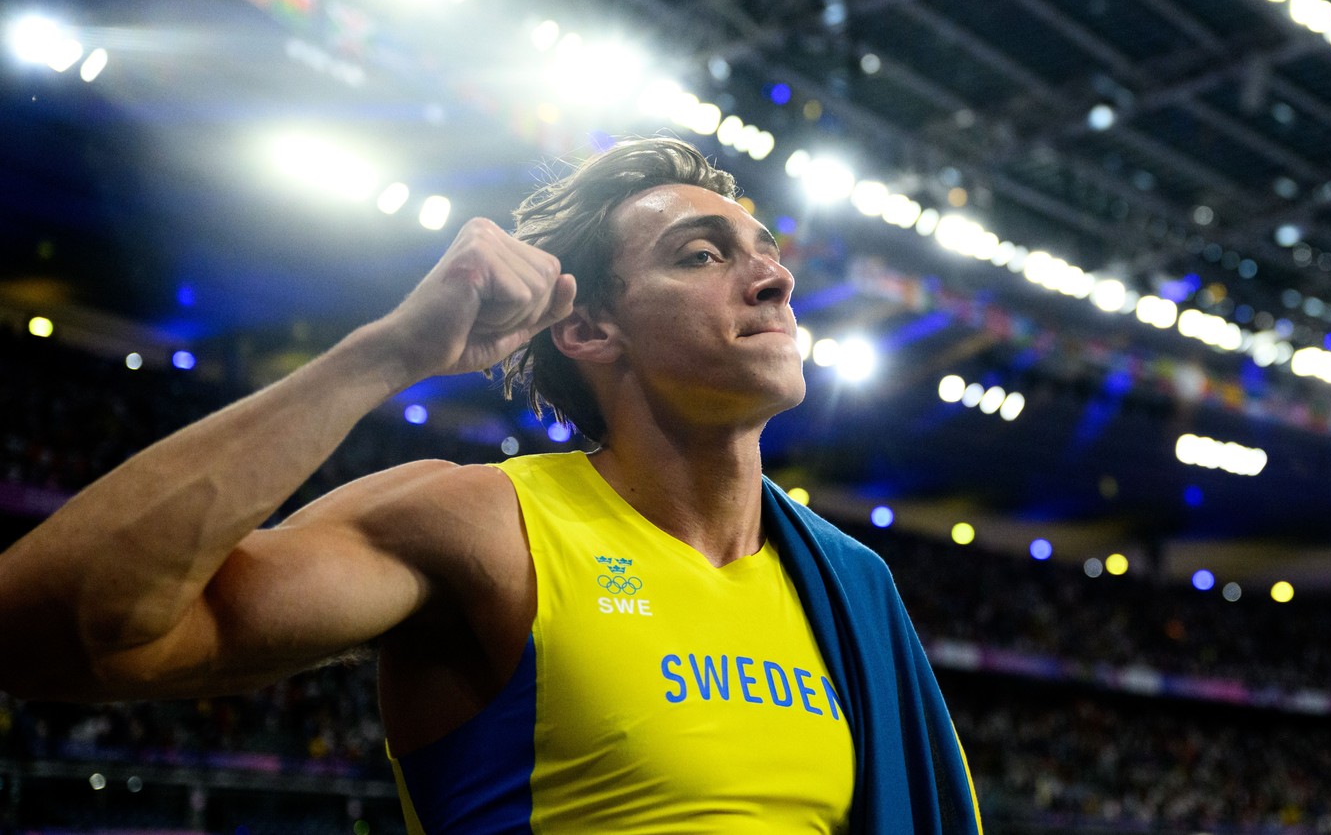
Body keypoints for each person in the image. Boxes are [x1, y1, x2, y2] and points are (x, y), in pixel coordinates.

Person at [0, 137, 980, 834]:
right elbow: (59, 631)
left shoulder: (849, 589)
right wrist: (383, 355)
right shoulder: (477, 524)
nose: (772, 281)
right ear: (591, 331)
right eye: (701, 256)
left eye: (766, 255)